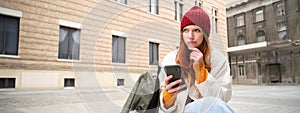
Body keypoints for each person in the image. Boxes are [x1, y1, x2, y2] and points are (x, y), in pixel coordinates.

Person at [158, 6, 232, 113]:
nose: (190, 36)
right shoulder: (170, 59)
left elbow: (221, 100)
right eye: (185, 30)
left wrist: (201, 72)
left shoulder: (219, 60)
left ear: (205, 34)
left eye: (197, 30)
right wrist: (168, 95)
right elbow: (164, 108)